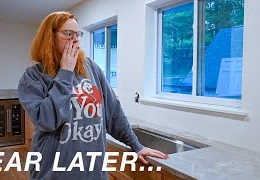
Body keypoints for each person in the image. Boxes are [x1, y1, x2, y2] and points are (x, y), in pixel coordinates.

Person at [18, 11, 168, 180]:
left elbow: (113, 112)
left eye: (77, 34)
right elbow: (47, 121)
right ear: (49, 37)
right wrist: (65, 72)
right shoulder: (33, 77)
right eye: (68, 34)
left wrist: (136, 145)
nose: (75, 39)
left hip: (93, 173)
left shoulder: (91, 68)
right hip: (53, 173)